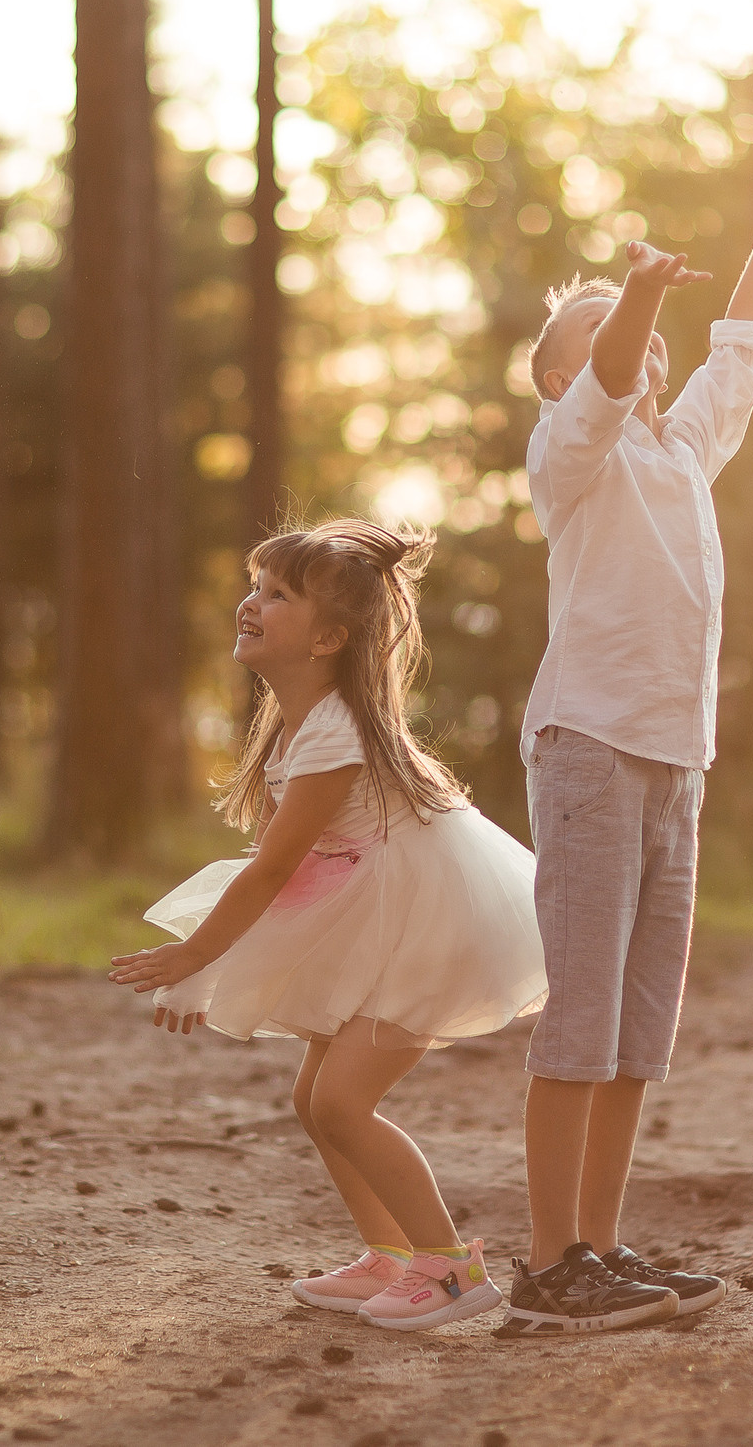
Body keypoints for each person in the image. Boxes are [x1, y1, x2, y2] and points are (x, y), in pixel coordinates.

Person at [499, 120, 753, 1336]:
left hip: (674, 762)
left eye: (634, 328)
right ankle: (547, 1268)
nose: (633, 347)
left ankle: (597, 1244)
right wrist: (635, 287)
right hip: (589, 751)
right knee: (581, 1015)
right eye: (599, 332)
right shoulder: (569, 456)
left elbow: (740, 347)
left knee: (638, 1031)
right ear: (560, 377)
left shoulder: (682, 453)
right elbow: (607, 379)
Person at [110, 518, 547, 1333]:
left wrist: (197, 953)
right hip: (374, 913)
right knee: (315, 1098)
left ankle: (452, 1269)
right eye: (255, 585)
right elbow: (293, 873)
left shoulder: (339, 728)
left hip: (428, 924)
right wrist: (208, 967)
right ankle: (389, 1254)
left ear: (330, 638)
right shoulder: (299, 724)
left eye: (279, 594)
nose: (252, 602)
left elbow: (271, 872)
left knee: (344, 1099)